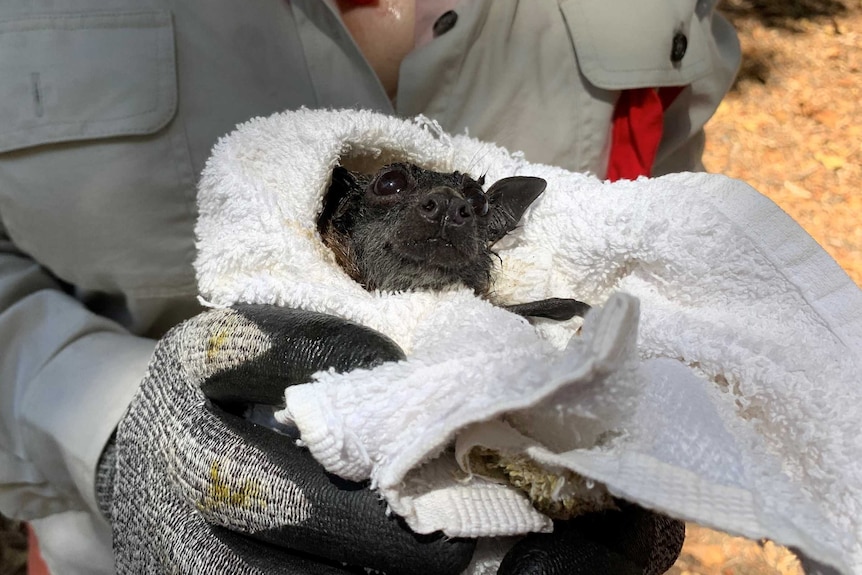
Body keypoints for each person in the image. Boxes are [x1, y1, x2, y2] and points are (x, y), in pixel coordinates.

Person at [0, 1, 740, 573]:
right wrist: (111, 430)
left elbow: (654, 227)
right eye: (394, 187)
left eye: (466, 208)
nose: (447, 210)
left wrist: (636, 426)